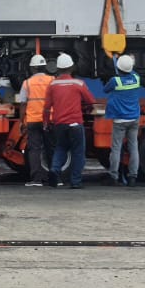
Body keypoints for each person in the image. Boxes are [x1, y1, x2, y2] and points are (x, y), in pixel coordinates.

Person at [44, 53, 97, 189]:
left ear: (58, 68)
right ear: (72, 67)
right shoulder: (78, 84)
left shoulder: (52, 85)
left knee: (60, 148)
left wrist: (46, 123)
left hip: (59, 124)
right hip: (75, 123)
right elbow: (91, 101)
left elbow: (46, 108)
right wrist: (88, 109)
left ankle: (55, 170)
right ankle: (75, 181)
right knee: (78, 152)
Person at [103, 54, 145, 186]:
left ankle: (113, 176)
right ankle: (133, 176)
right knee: (133, 147)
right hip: (134, 118)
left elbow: (105, 90)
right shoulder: (136, 78)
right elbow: (131, 72)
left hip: (120, 120)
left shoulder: (115, 81)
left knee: (116, 148)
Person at [17, 54, 53, 187]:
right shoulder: (52, 80)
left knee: (34, 149)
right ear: (45, 67)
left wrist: (22, 121)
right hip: (48, 120)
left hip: (32, 120)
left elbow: (22, 103)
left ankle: (37, 179)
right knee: (50, 148)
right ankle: (53, 178)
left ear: (32, 69)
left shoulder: (27, 83)